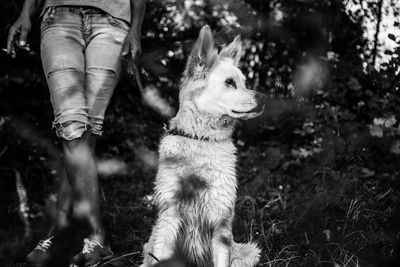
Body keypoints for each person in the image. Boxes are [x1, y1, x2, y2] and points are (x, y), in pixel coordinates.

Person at [6, 0, 146, 266]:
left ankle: (56, 232)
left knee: (85, 133)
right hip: (59, 19)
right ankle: (95, 236)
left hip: (113, 21)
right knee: (72, 127)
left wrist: (136, 30)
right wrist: (25, 13)